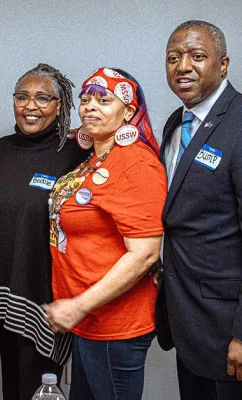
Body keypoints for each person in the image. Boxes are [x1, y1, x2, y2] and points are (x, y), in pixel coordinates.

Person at [0, 63, 86, 400]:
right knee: (12, 389)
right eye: (22, 97)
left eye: (42, 98)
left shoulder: (76, 153)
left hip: (46, 297)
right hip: (4, 295)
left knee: (42, 389)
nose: (30, 106)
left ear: (60, 106)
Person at [47, 67, 166, 399]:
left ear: (128, 112)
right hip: (88, 321)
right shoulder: (95, 159)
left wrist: (79, 305)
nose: (90, 107)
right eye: (85, 100)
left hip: (114, 325)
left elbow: (144, 254)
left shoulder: (136, 165)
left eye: (103, 100)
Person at [157, 20, 242, 399]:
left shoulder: (240, 123)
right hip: (186, 318)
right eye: (174, 58)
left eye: (197, 56)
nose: (183, 67)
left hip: (226, 329)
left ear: (223, 65)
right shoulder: (177, 124)